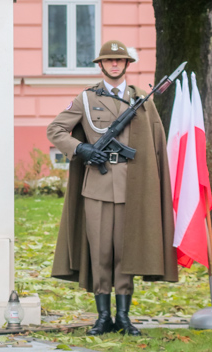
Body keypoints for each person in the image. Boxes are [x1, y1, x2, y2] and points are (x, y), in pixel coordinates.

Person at [47, 40, 177, 336]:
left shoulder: (142, 98)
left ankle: (124, 316)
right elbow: (55, 129)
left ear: (127, 65)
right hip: (98, 187)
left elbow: (155, 141)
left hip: (133, 187)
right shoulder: (85, 98)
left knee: (124, 253)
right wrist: (82, 149)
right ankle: (103, 317)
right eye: (109, 60)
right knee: (101, 253)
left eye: (120, 61)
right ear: (101, 65)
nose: (114, 65)